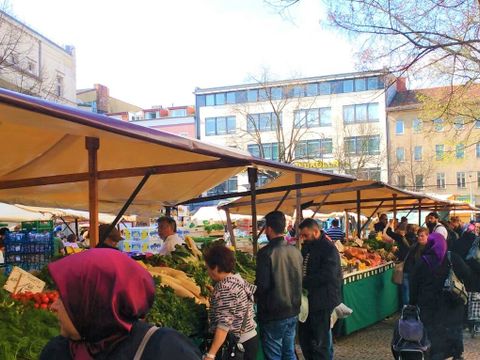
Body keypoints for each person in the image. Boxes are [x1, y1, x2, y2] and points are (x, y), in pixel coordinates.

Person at [40, 249, 202, 359]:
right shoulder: (57, 352)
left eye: (63, 299)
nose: (53, 306)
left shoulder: (166, 350)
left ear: (94, 303)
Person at [410, 232, 472, 360]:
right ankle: (456, 354)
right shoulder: (452, 258)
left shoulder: (423, 261)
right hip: (452, 303)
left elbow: (414, 284)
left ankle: (435, 354)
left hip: (429, 305)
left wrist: (413, 303)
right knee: (454, 329)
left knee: (432, 331)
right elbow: (468, 274)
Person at [255, 211, 303, 360]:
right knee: (289, 352)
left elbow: (262, 286)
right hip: (293, 309)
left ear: (268, 229)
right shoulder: (295, 251)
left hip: (273, 312)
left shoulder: (265, 253)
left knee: (274, 355)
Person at [297, 218, 342, 360]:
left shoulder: (328, 248)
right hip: (308, 301)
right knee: (306, 339)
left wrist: (304, 282)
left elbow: (328, 275)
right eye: (302, 235)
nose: (303, 238)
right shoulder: (307, 246)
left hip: (323, 301)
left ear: (315, 232)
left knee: (321, 341)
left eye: (305, 235)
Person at [204, 245, 258, 360]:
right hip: (248, 340)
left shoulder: (225, 288)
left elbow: (224, 325)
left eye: (208, 267)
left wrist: (211, 354)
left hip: (237, 346)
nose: (207, 271)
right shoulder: (236, 280)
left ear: (215, 267)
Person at [401, 227, 428, 305]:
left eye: (422, 236)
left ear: (427, 236)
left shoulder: (430, 247)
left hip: (420, 275)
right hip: (411, 272)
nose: (419, 238)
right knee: (409, 292)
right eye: (418, 236)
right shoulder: (414, 246)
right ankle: (408, 308)